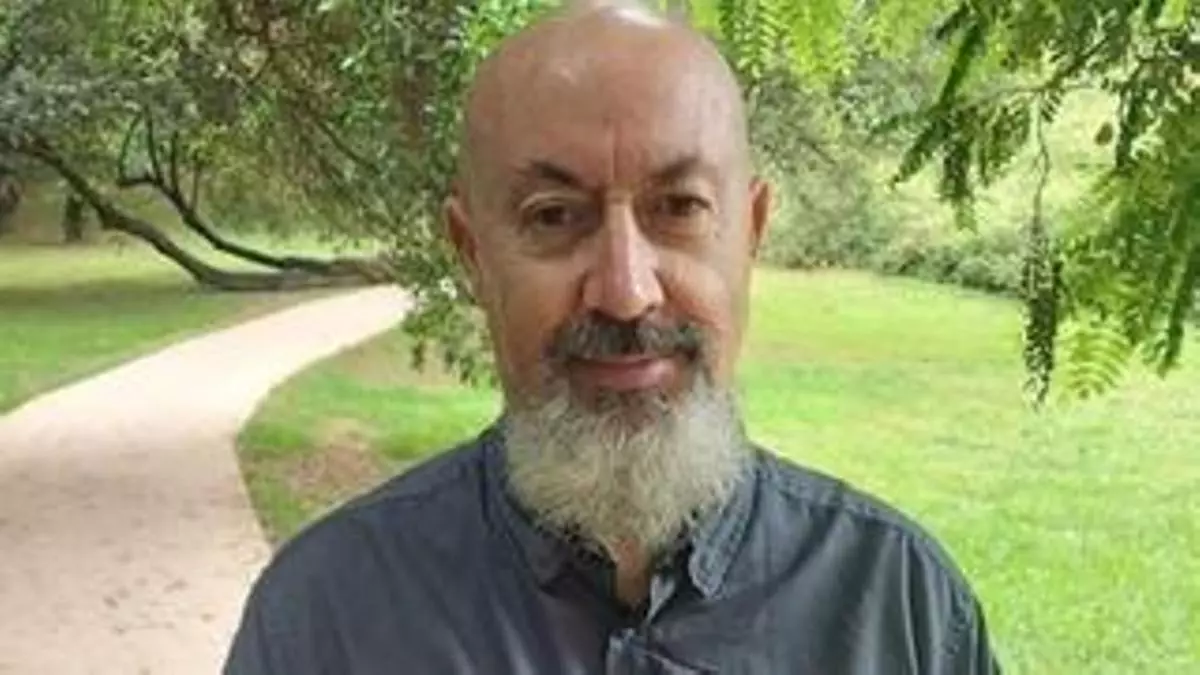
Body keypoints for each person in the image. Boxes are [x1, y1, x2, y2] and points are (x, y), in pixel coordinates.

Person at [224, 3, 1002, 673]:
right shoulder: (327, 617)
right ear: (472, 254)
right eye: (554, 215)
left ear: (751, 231)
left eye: (679, 207)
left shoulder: (902, 609)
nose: (627, 292)